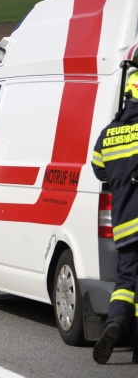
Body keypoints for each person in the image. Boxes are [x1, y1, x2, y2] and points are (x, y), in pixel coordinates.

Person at [91, 70, 138, 364]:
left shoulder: (111, 132)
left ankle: (116, 323)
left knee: (127, 280)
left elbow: (98, 168)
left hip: (124, 223)